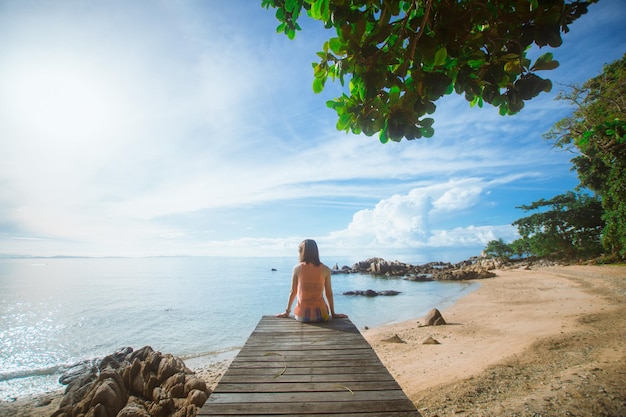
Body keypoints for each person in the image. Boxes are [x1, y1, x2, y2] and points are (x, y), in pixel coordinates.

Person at [276, 239, 347, 322]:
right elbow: (329, 293)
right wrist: (333, 313)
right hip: (322, 316)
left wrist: (287, 312)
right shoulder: (325, 269)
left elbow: (293, 291)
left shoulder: (297, 269)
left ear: (303, 252)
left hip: (302, 316)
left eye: (300, 250)